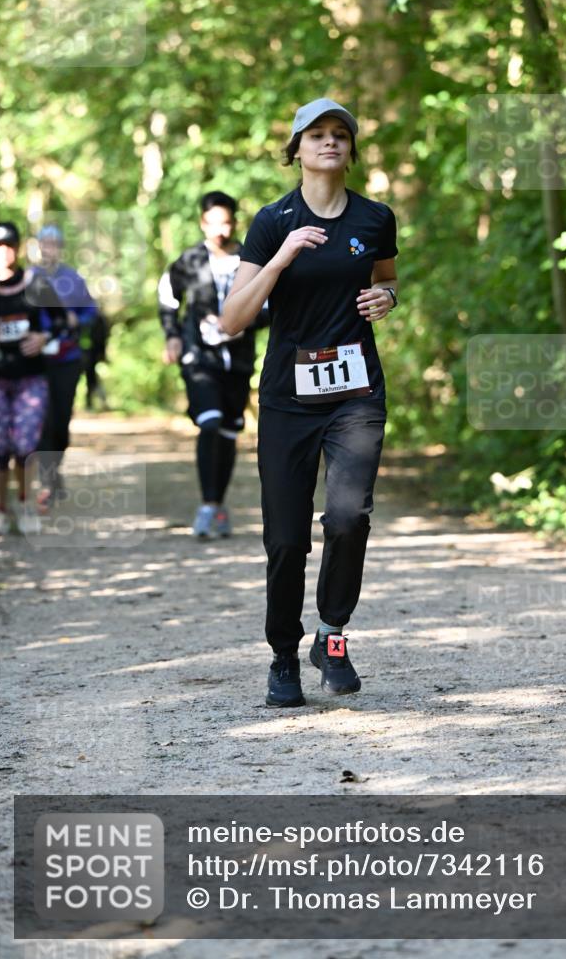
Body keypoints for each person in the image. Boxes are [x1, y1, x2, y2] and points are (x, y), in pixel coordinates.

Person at [221, 98, 399, 708]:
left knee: (349, 517)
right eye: (316, 135)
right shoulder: (272, 221)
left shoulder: (376, 218)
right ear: (295, 149)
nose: (329, 142)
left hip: (356, 392)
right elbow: (232, 319)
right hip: (287, 399)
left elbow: (386, 278)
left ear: (351, 149)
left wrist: (387, 300)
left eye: (339, 135)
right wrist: (281, 257)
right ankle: (282, 655)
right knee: (286, 537)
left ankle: (333, 633)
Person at [158, 191, 268, 539]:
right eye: (213, 222)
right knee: (210, 422)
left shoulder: (253, 260)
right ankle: (207, 507)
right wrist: (172, 335)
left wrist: (241, 323)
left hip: (237, 362)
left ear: (235, 222)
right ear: (202, 223)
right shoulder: (189, 260)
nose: (220, 229)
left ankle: (218, 505)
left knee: (228, 432)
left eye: (226, 221)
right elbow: (167, 298)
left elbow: (273, 306)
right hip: (198, 357)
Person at [0, 221, 68, 534]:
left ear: (18, 248)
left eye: (9, 245)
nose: (4, 252)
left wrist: (43, 336)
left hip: (31, 379)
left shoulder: (34, 283)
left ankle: (26, 505)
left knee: (25, 445)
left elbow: (65, 322)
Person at [32, 224, 98, 506]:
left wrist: (77, 320)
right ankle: (46, 480)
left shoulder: (72, 278)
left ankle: (55, 470)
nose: (49, 248)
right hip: (36, 361)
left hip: (68, 358)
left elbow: (91, 312)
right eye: (44, 243)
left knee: (60, 419)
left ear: (60, 247)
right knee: (41, 419)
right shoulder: (29, 278)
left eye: (54, 243)